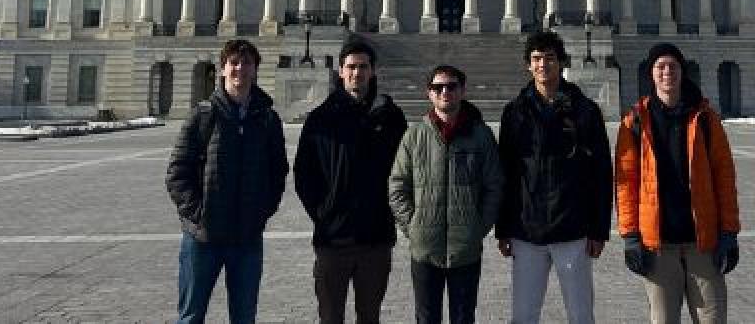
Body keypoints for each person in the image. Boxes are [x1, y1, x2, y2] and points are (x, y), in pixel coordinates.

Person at [165, 39, 289, 324]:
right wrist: (199, 214)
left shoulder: (267, 119)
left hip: (247, 236)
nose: (240, 69)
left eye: (247, 63)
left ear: (255, 69)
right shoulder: (202, 115)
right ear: (222, 69)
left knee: (244, 317)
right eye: (234, 63)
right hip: (203, 237)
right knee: (191, 316)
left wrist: (262, 211)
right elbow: (177, 172)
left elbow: (278, 171)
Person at [615, 43, 741, 324]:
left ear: (683, 72)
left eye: (673, 66)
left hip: (702, 242)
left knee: (712, 319)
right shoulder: (634, 122)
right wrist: (631, 237)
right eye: (660, 66)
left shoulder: (705, 118)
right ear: (651, 74)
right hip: (658, 243)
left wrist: (729, 232)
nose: (667, 72)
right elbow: (625, 184)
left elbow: (724, 177)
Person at [497, 31, 612, 324]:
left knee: (581, 315)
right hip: (527, 229)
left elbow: (601, 173)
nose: (542, 65)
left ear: (561, 62)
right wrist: (503, 229)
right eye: (536, 59)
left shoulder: (585, 111)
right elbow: (506, 173)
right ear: (528, 65)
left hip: (572, 227)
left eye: (549, 58)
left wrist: (599, 229)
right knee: (523, 315)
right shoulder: (514, 112)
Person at [295, 37, 408, 324]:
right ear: (341, 71)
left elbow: (406, 171)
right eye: (351, 67)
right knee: (330, 316)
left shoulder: (391, 117)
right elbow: (304, 174)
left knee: (370, 316)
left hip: (376, 237)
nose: (357, 73)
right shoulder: (320, 119)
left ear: (373, 71)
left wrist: (392, 213)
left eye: (363, 67)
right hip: (333, 238)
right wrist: (324, 213)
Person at [388, 64, 503, 324]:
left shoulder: (480, 135)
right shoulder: (414, 135)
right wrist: (413, 226)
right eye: (437, 87)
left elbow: (494, 185)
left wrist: (478, 226)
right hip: (425, 247)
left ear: (462, 91)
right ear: (429, 93)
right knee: (426, 318)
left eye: (451, 86)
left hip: (465, 248)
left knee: (463, 317)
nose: (444, 92)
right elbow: (397, 185)